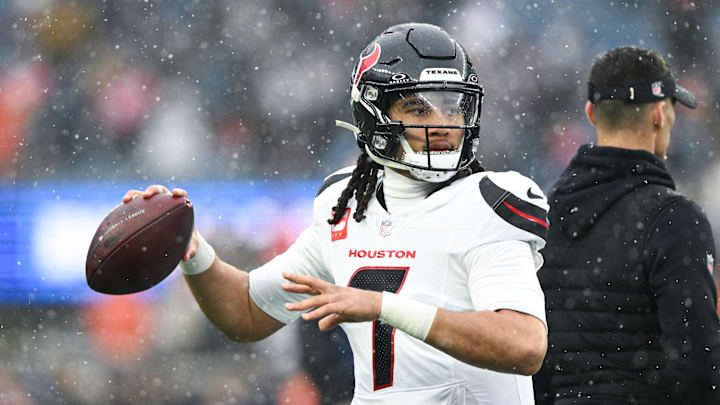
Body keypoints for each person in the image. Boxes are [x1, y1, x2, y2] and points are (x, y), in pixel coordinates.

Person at [123, 23, 550, 404]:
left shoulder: (488, 202)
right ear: (371, 112)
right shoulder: (345, 205)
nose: (442, 123)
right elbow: (248, 313)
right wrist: (193, 249)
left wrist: (385, 306)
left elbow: (523, 344)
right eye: (419, 108)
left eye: (452, 106)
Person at [533, 45, 720, 405]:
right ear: (661, 114)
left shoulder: (542, 213)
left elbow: (531, 356)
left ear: (591, 113)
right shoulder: (675, 219)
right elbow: (698, 365)